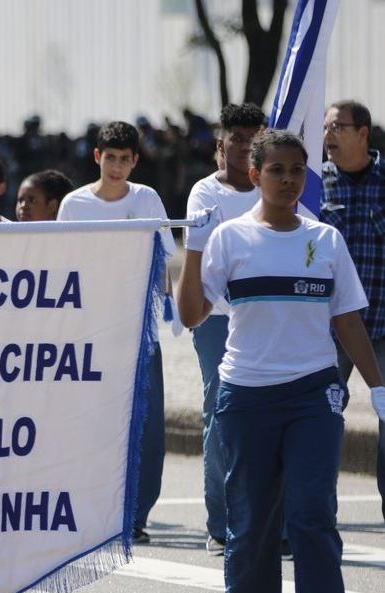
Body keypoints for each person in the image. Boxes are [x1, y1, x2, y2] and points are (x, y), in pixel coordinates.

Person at [177, 129, 385, 593]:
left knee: (314, 514)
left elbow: (346, 319)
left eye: (297, 170)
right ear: (255, 176)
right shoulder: (228, 238)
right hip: (245, 395)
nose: (288, 179)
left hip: (313, 393)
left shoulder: (325, 240)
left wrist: (378, 387)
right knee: (250, 518)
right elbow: (191, 315)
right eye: (276, 170)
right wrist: (193, 250)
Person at [57, 120, 173, 544]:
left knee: (147, 429)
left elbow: (162, 263)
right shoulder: (73, 204)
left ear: (135, 161)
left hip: (140, 335)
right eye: (111, 157)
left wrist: (167, 308)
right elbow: (63, 269)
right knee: (93, 425)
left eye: (126, 159)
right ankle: (93, 510)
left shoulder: (148, 199)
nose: (118, 166)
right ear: (97, 157)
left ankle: (136, 515)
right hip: (91, 334)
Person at [182, 102, 266, 555]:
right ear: (222, 144)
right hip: (216, 318)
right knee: (221, 411)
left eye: (255, 136)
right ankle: (220, 522)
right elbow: (202, 258)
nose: (247, 145)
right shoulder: (204, 194)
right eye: (238, 138)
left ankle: (270, 519)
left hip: (265, 315)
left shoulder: (272, 186)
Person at [321, 100, 385, 523]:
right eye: (325, 127)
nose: (328, 135)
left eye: (337, 127)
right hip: (329, 331)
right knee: (318, 422)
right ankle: (311, 516)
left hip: (382, 325)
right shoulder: (312, 184)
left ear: (363, 133)